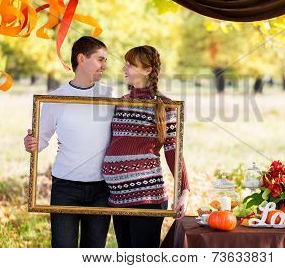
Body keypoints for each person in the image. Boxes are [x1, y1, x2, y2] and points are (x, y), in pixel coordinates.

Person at [24, 36, 113, 248]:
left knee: (94, 251)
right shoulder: (56, 98)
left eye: (106, 61)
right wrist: (31, 142)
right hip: (66, 187)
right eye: (100, 59)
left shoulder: (109, 96)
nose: (104, 66)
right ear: (81, 59)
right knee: (63, 249)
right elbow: (41, 140)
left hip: (102, 187)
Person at [101, 45, 190, 248]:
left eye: (131, 64)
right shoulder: (120, 102)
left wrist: (184, 190)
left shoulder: (166, 105)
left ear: (148, 70)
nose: (125, 68)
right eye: (126, 63)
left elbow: (173, 150)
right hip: (118, 195)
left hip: (146, 196)